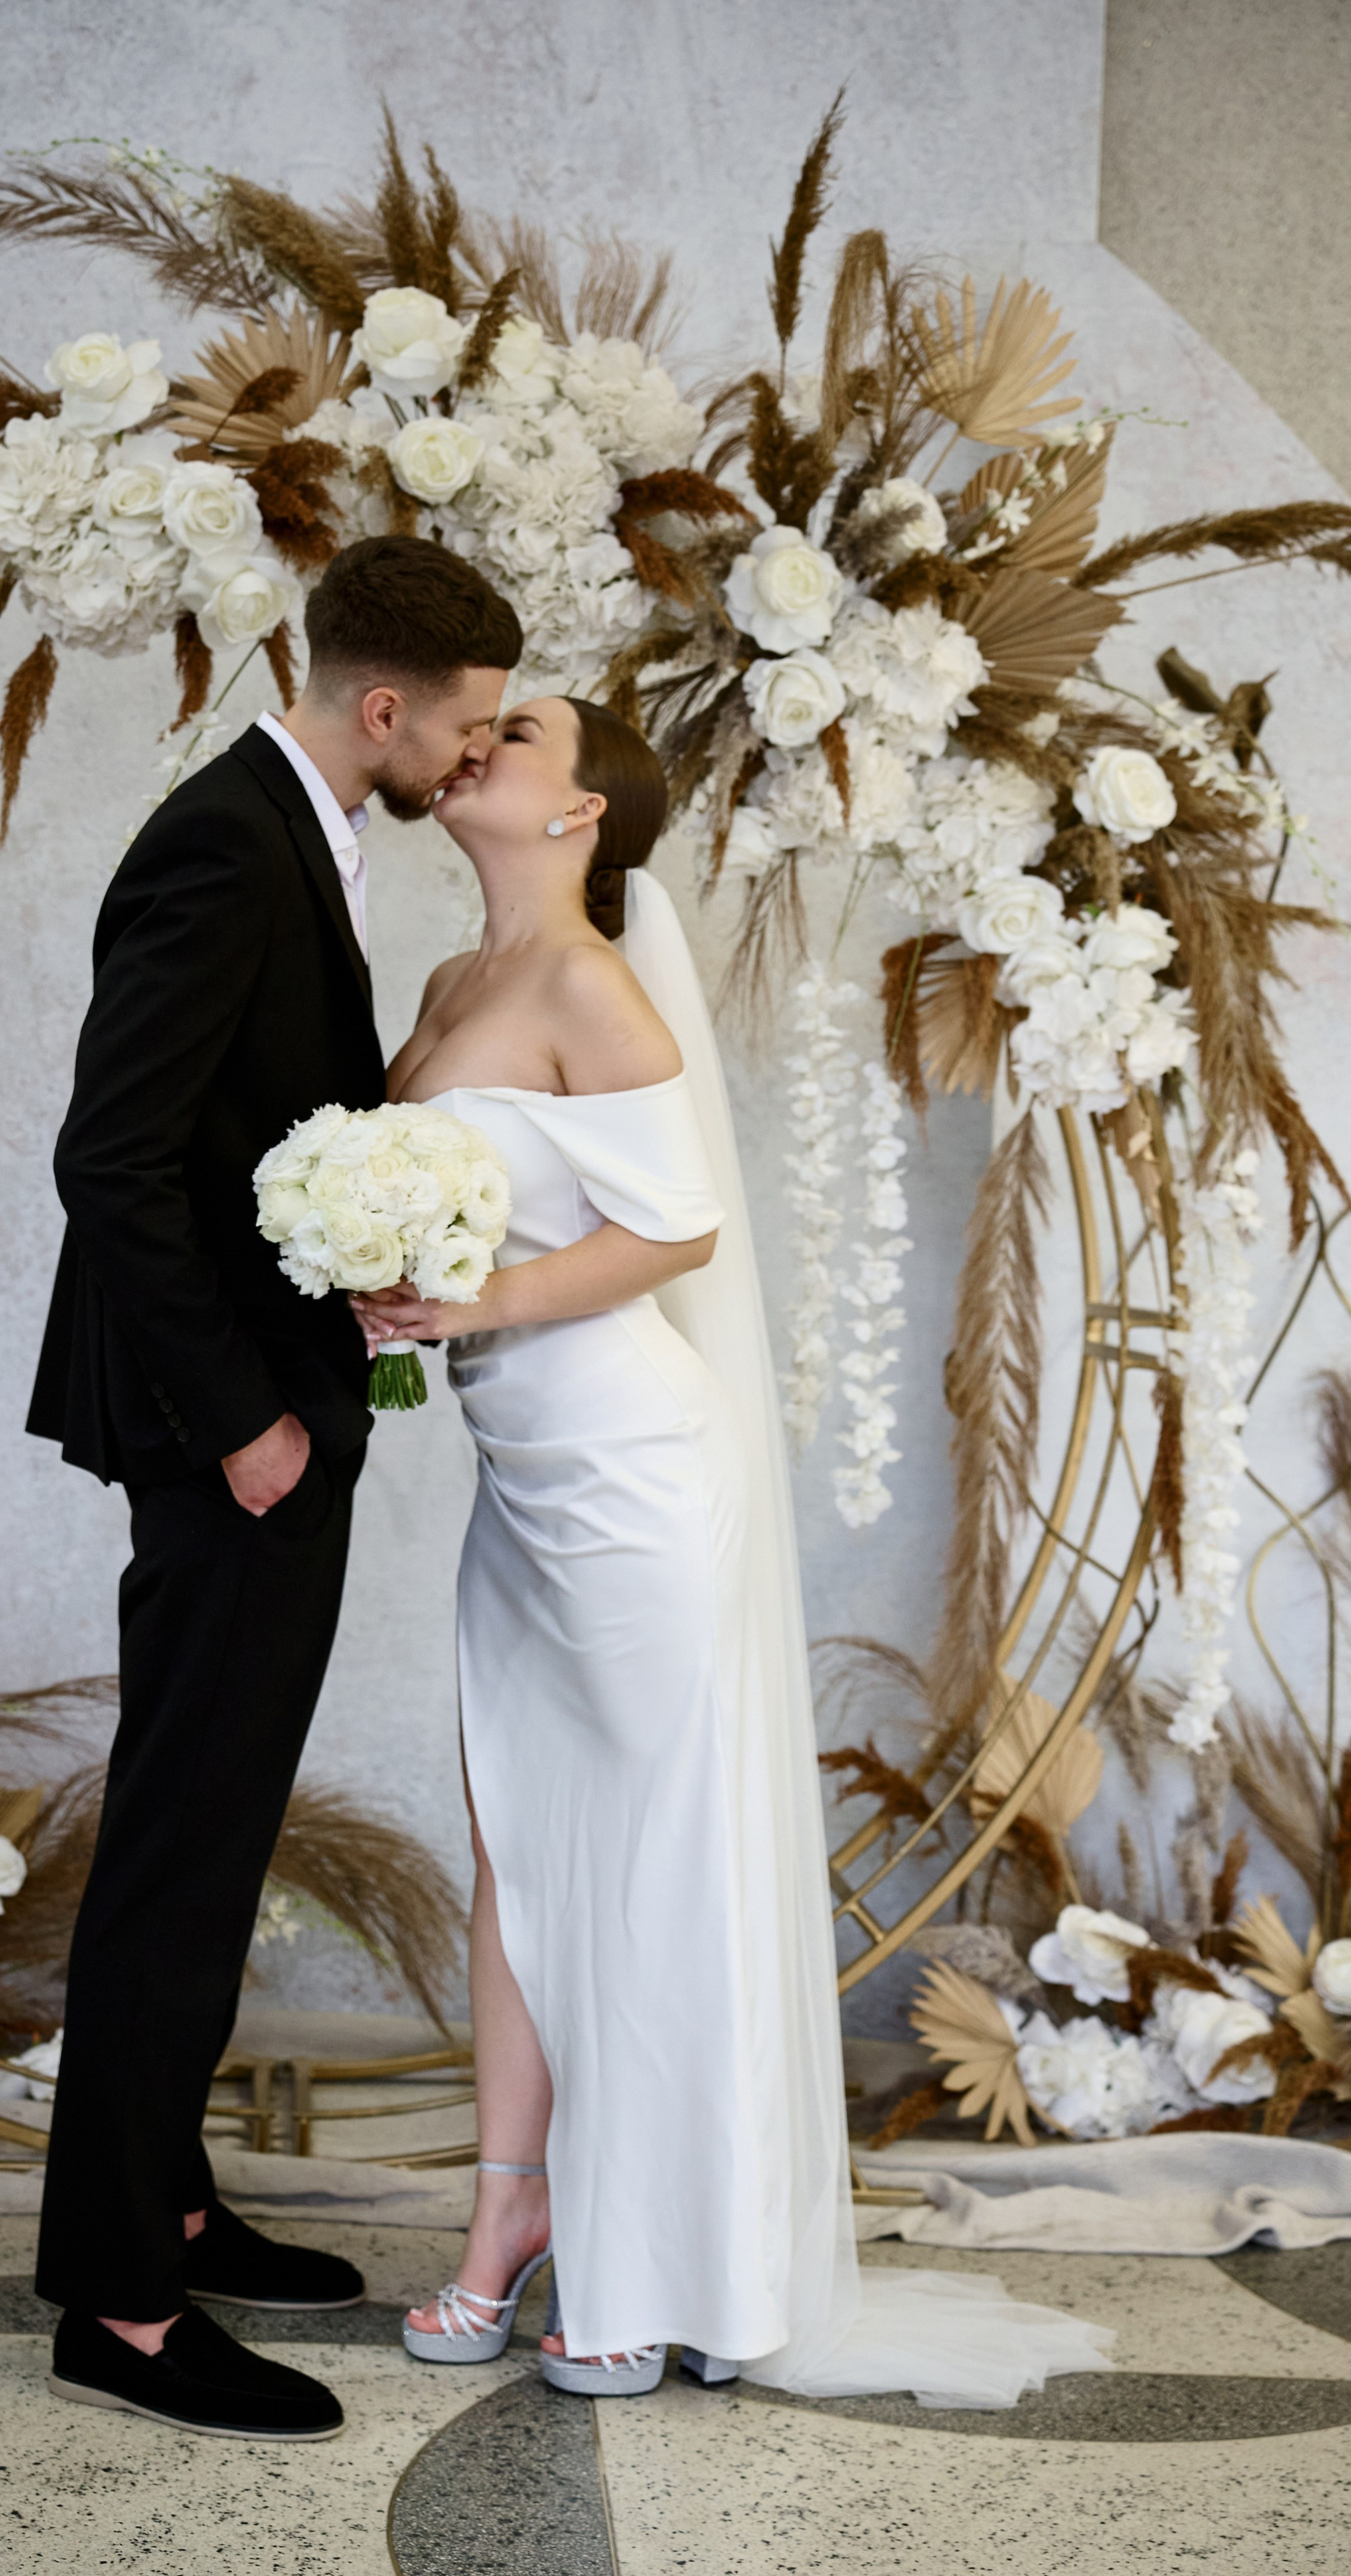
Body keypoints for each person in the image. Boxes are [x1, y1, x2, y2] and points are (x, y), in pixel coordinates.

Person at [357, 696, 1114, 2405]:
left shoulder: (587, 986)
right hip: (519, 1480)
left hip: (629, 1471)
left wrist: (472, 1301)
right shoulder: (451, 985)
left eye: (520, 733)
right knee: (516, 1850)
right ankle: (509, 2213)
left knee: (642, 1860)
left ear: (580, 815)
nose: (477, 742)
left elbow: (676, 1226)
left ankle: (644, 2248)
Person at [26, 535, 523, 2440]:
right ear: (381, 706)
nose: (469, 760)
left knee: (213, 1835)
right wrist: (242, 1418)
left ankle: (165, 2202)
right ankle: (120, 2306)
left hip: (263, 1417)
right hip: (220, 1438)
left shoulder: (292, 826)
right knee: (182, 1845)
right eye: (462, 729)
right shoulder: (227, 841)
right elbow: (112, 1157)